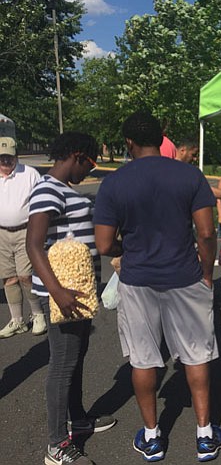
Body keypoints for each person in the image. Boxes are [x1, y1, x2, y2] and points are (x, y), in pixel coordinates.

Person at [93, 110, 221, 463]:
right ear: (161, 137)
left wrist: (127, 249)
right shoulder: (189, 175)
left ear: (128, 143)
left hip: (137, 282)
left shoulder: (114, 183)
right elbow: (207, 232)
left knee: (144, 359)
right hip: (185, 276)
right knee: (197, 355)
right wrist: (207, 271)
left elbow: (104, 245)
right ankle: (204, 434)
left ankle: (152, 437)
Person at [26, 132, 116, 465]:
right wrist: (58, 292)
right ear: (77, 155)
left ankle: (77, 420)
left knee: (76, 359)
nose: (89, 172)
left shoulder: (63, 190)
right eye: (90, 164)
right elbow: (34, 245)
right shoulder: (48, 189)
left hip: (78, 292)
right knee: (62, 366)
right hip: (62, 295)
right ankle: (56, 445)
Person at [0, 137, 44, 338]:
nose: (5, 162)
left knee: (25, 276)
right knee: (9, 278)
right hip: (2, 233)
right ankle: (17, 320)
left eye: (9, 157)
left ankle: (37, 314)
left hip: (25, 231)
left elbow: (42, 199)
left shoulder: (29, 174)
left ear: (16, 156)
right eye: (1, 158)